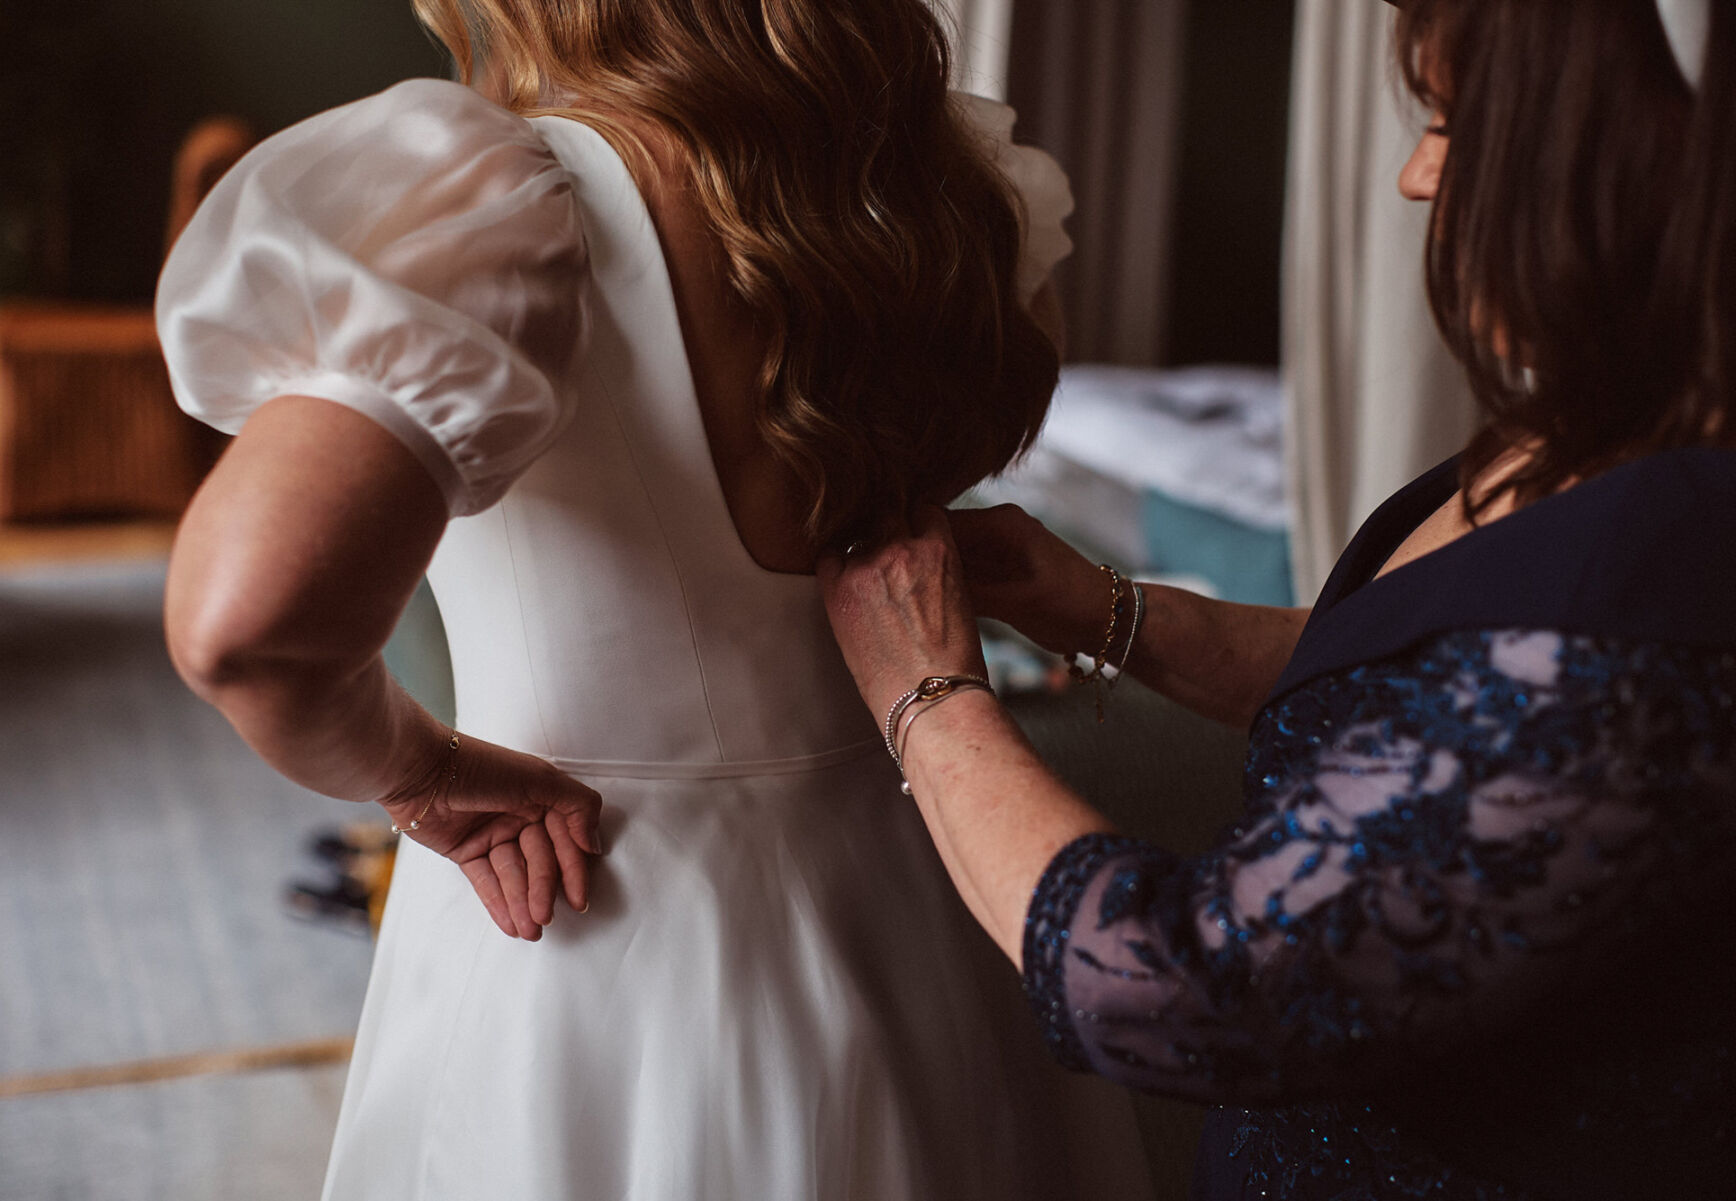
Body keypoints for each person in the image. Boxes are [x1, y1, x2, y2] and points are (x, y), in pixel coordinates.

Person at [156, 1, 1154, 1198]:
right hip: (927, 877)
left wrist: (417, 769)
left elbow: (246, 629)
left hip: (589, 903)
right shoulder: (946, 196)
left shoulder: (500, 209)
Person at [820, 0, 1736, 1198]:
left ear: (1638, 162)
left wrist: (926, 696)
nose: (1415, 178)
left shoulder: (1658, 596)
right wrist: (1105, 608)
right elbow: (1417, 679)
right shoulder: (1610, 430)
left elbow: (1178, 988)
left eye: (1452, 127)